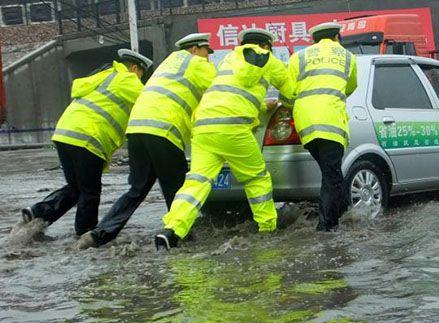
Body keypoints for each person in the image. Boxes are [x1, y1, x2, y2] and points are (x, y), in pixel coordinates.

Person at [155, 28, 295, 250]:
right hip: (234, 129)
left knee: (196, 182)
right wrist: (277, 105)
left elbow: (231, 95)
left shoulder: (228, 60)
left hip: (203, 128)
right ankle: (268, 229)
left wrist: (258, 105)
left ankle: (171, 230)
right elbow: (290, 95)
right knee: (256, 178)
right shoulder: (270, 61)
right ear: (266, 45)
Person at [76, 34, 217, 250]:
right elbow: (221, 91)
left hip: (137, 130)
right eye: (207, 51)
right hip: (162, 131)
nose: (208, 57)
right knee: (177, 187)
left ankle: (98, 235)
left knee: (137, 189)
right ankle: (179, 236)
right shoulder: (197, 64)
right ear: (196, 49)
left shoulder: (166, 65)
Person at [20, 49, 152, 237]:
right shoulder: (127, 79)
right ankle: (85, 235)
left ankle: (37, 213)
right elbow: (150, 99)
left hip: (65, 133)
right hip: (88, 138)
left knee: (75, 188)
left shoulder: (101, 76)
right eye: (141, 74)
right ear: (134, 67)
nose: (141, 79)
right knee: (90, 191)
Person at [287, 22, 357, 232]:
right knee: (331, 175)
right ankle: (326, 227)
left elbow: (288, 92)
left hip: (305, 124)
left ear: (313, 39)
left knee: (331, 173)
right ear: (337, 36)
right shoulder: (347, 57)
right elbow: (351, 87)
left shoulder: (298, 57)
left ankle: (342, 210)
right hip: (331, 124)